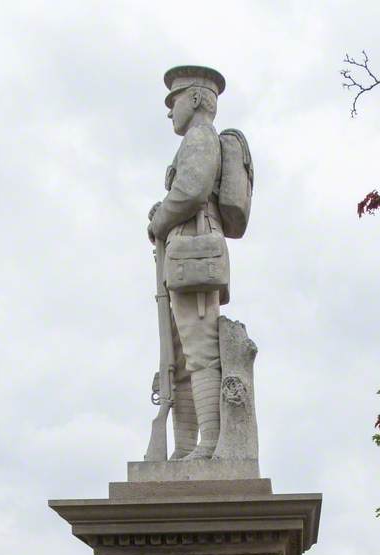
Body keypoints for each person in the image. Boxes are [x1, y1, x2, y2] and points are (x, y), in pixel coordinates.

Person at [148, 66, 227, 459]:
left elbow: (192, 190)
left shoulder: (200, 136)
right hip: (185, 250)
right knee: (177, 356)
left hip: (193, 247)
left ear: (195, 99)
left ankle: (209, 443)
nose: (169, 111)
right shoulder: (194, 140)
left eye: (173, 101)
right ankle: (184, 447)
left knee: (198, 351)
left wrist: (160, 219)